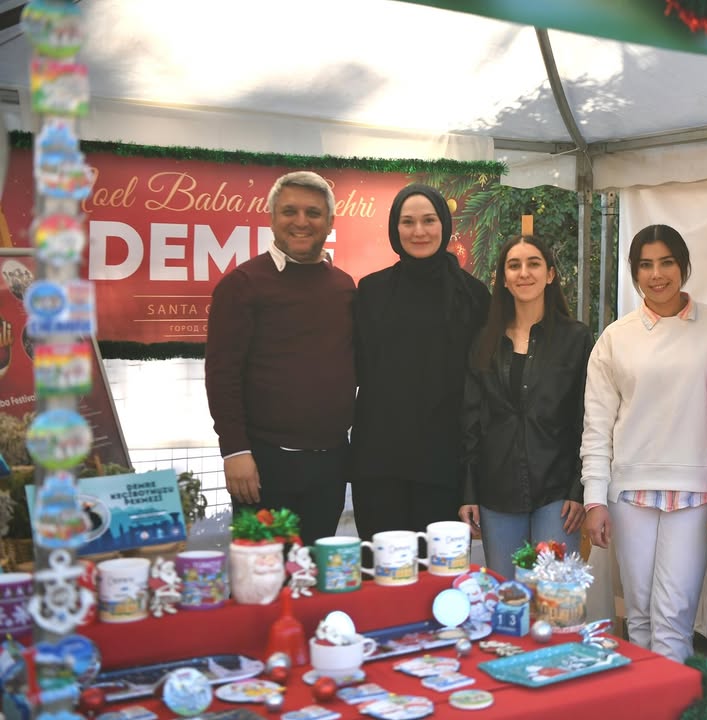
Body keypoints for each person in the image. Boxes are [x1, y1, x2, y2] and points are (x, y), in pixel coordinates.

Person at [581, 224, 707, 663]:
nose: (657, 274)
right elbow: (596, 426)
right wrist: (595, 500)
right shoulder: (615, 337)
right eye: (646, 264)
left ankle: (671, 705)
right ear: (634, 272)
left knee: (673, 615)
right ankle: (645, 703)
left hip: (696, 492)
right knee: (639, 616)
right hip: (629, 492)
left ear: (684, 265)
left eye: (667, 262)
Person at [205, 170, 355, 546]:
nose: (301, 222)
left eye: (313, 213)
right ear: (271, 218)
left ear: (330, 222)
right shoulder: (242, 284)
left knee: (317, 579)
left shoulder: (343, 286)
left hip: (330, 463)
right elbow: (222, 375)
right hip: (263, 465)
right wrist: (235, 451)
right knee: (260, 579)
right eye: (290, 211)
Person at [351, 184, 489, 540]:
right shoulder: (371, 291)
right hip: (380, 461)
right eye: (407, 222)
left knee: (437, 577)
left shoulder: (473, 295)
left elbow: (481, 385)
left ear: (444, 224)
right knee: (381, 574)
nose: (419, 231)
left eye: (429, 220)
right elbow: (358, 368)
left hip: (446, 463)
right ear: (395, 230)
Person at [459, 235, 592, 580]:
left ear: (550, 274)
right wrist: (469, 493)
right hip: (496, 492)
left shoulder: (576, 339)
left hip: (557, 493)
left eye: (533, 263)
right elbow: (471, 423)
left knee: (557, 599)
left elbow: (586, 419)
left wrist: (579, 490)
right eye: (514, 265)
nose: (524, 273)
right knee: (507, 599)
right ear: (503, 278)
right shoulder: (482, 340)